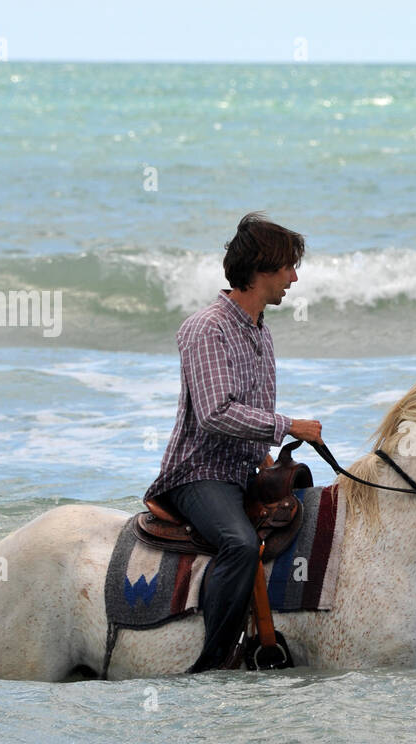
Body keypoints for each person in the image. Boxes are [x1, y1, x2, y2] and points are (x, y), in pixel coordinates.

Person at [144, 213, 322, 671]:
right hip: (199, 475)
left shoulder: (261, 331)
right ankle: (213, 664)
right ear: (261, 269)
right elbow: (215, 413)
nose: (295, 277)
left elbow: (246, 416)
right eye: (288, 267)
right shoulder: (206, 328)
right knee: (240, 544)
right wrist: (287, 426)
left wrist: (265, 455)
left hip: (243, 473)